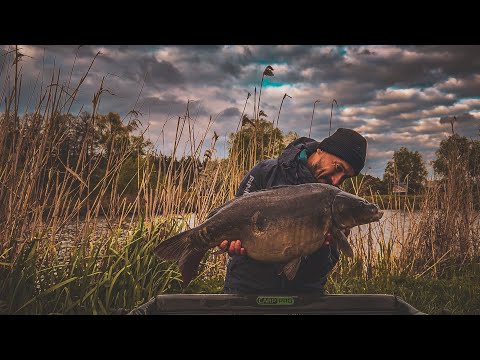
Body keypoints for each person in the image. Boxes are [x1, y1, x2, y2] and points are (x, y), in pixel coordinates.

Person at [219, 128, 367, 294]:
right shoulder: (265, 172)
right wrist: (232, 245)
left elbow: (319, 272)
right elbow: (234, 218)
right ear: (321, 149)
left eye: (345, 177)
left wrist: (325, 246)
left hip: (303, 294)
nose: (336, 180)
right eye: (338, 168)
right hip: (248, 287)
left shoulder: (336, 204)